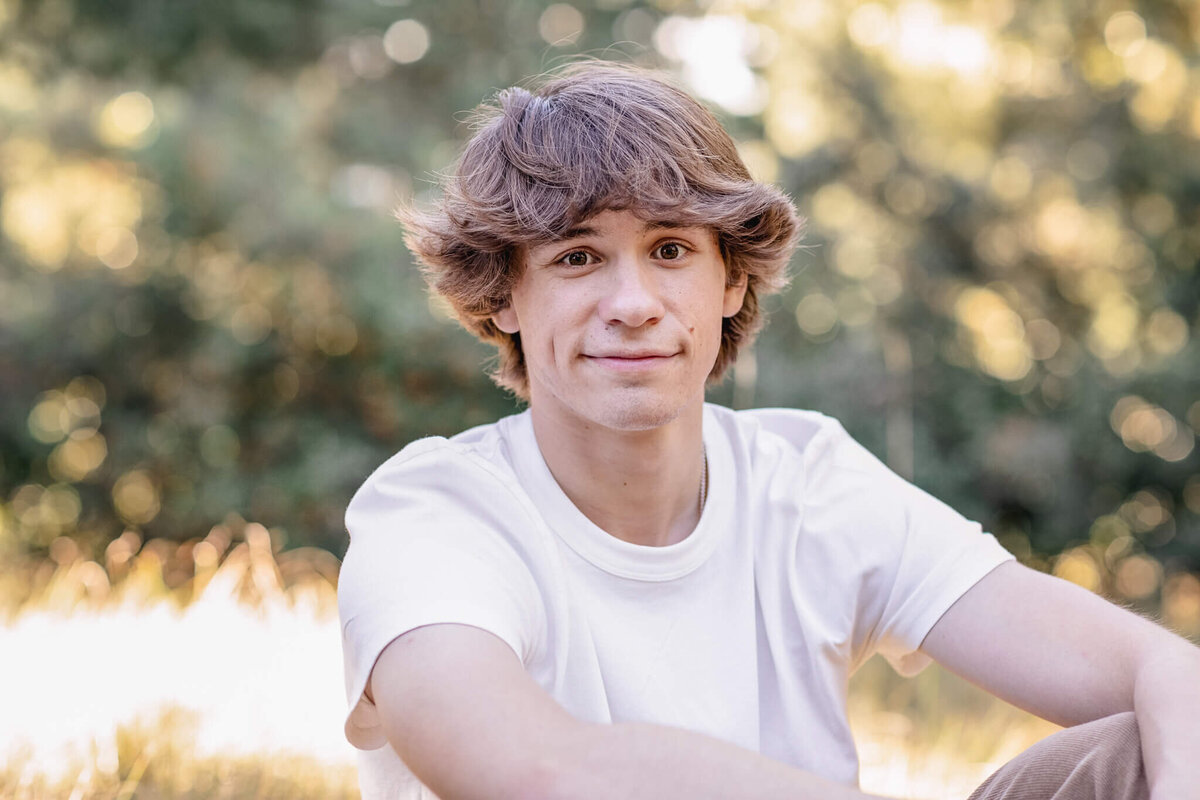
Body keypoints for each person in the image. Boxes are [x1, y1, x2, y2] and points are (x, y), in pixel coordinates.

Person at [337, 62, 1200, 800]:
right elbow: (535, 770)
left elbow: (1165, 673)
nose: (633, 306)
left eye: (671, 250)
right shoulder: (434, 516)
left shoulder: (805, 478)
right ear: (504, 297)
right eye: (577, 257)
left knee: (1146, 742)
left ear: (730, 283)